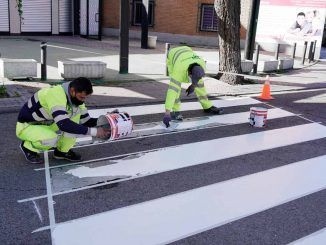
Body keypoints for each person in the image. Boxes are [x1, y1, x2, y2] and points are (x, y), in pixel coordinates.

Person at [16, 77, 110, 164]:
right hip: (26, 126)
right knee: (51, 138)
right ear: (73, 91)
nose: (83, 100)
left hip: (46, 124)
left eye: (85, 97)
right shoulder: (56, 93)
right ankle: (28, 147)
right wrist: (95, 132)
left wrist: (108, 120)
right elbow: (63, 124)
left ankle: (61, 152)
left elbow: (86, 121)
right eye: (82, 97)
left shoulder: (76, 100)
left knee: (75, 116)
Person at [163, 46, 223, 127]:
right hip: (173, 55)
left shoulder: (201, 64)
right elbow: (172, 91)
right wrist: (167, 112)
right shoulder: (178, 71)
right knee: (176, 89)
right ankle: (175, 110)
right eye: (192, 78)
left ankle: (207, 106)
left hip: (187, 50)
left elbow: (197, 78)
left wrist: (194, 85)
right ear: (189, 73)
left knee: (200, 85)